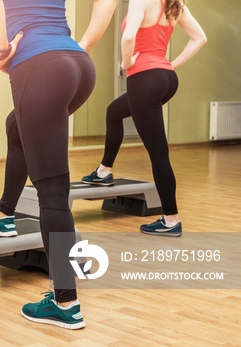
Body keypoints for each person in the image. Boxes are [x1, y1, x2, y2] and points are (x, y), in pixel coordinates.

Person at [0, 0, 119, 329]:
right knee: (16, 127)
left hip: (39, 64)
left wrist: (1, 52)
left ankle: (65, 302)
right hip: (79, 65)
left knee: (52, 193)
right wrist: (82, 46)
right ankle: (2, 215)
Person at [81, 0, 206, 237]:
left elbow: (128, 38)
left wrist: (126, 63)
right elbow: (200, 38)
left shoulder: (141, 1)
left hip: (145, 79)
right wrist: (170, 65)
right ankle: (104, 171)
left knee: (159, 155)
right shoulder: (175, 4)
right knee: (114, 112)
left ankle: (171, 220)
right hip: (166, 79)